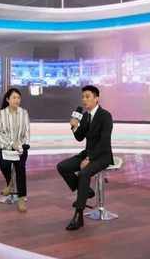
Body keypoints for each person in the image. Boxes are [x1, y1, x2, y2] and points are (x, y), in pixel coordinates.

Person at [56, 85, 114, 231]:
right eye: (83, 97)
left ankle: (79, 216)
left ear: (96, 98)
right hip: (88, 153)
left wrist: (90, 159)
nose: (84, 100)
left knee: (84, 173)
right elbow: (80, 137)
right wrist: (74, 127)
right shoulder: (86, 116)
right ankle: (86, 191)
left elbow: (104, 142)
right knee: (62, 167)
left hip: (102, 155)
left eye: (87, 96)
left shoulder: (105, 116)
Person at [0, 88, 30, 213]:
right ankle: (10, 184)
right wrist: (11, 144)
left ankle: (21, 198)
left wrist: (21, 146)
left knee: (20, 169)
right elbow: (0, 133)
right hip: (5, 147)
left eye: (18, 98)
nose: (17, 100)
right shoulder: (1, 114)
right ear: (8, 99)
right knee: (4, 166)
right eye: (14, 97)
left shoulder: (24, 113)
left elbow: (27, 132)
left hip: (20, 148)